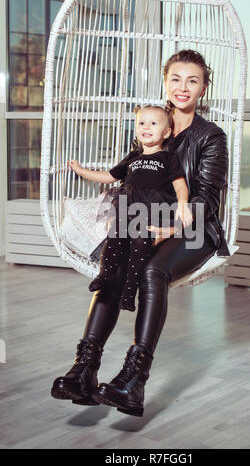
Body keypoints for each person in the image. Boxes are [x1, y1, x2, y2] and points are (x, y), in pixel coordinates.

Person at [51, 49, 231, 417]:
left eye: (192, 80)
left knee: (152, 271)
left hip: (195, 229)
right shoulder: (150, 126)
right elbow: (132, 181)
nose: (183, 87)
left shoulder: (211, 136)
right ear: (165, 81)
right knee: (113, 265)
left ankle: (134, 379)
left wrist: (172, 227)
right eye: (176, 78)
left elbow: (207, 198)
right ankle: (84, 368)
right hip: (142, 222)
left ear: (203, 89)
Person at [67, 105, 193, 312]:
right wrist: (81, 170)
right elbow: (109, 177)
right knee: (115, 235)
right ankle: (104, 276)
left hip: (153, 212)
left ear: (166, 132)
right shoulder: (133, 157)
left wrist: (182, 204)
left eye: (153, 124)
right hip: (128, 209)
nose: (146, 127)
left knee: (141, 242)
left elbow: (180, 185)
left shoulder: (168, 158)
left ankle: (129, 291)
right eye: (141, 123)